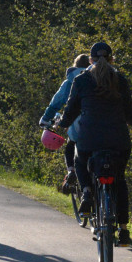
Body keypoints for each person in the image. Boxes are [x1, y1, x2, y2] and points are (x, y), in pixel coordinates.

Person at [60, 42, 132, 246]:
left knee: (78, 157)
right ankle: (123, 230)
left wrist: (62, 123)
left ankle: (86, 190)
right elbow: (130, 113)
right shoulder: (120, 80)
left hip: (89, 138)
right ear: (112, 60)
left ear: (91, 60)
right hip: (118, 140)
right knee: (119, 179)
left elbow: (71, 110)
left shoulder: (81, 80)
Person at [39, 53, 90, 194]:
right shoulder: (100, 77)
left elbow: (55, 103)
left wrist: (45, 119)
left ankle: (71, 171)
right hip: (101, 126)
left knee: (71, 145)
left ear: (75, 66)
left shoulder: (70, 82)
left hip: (78, 127)